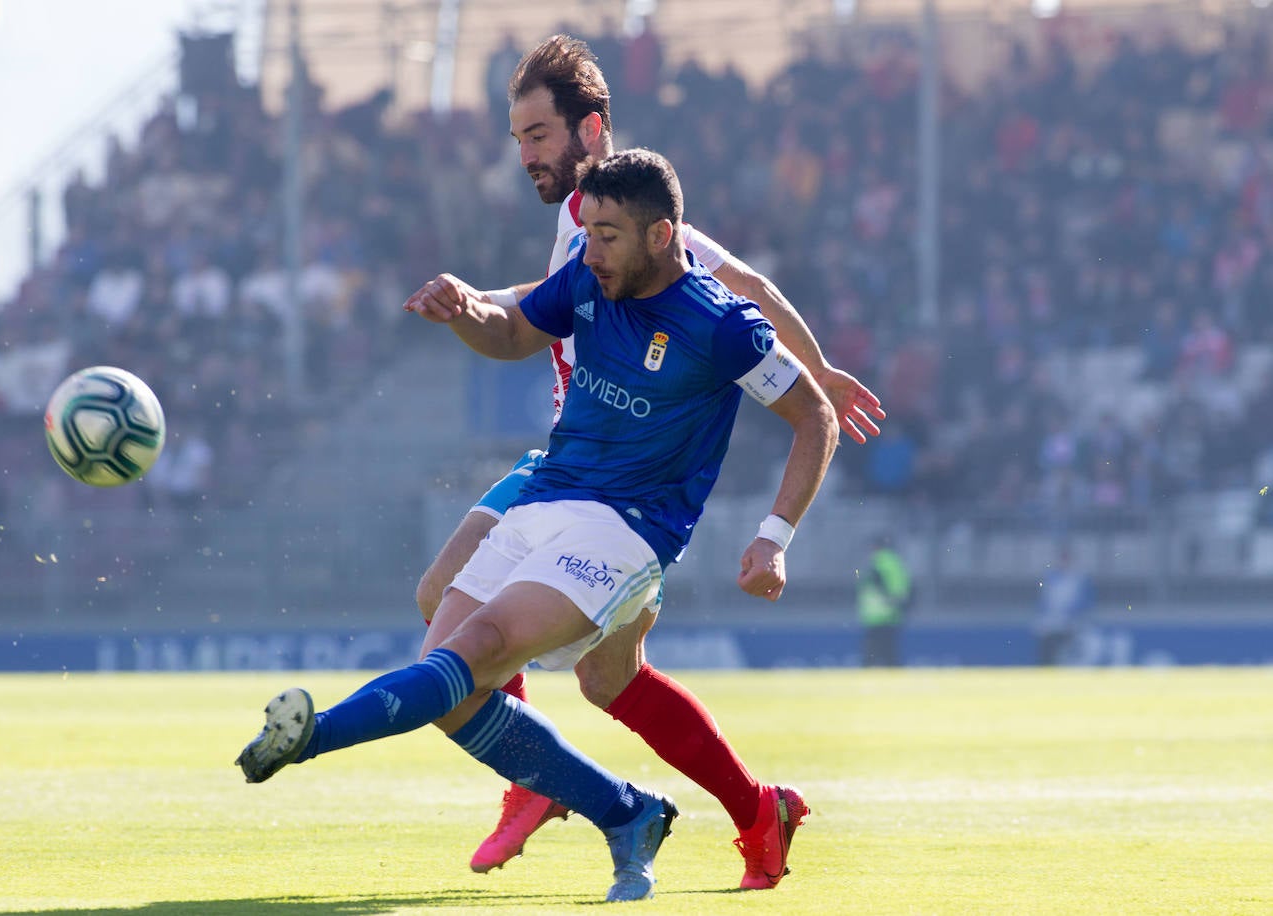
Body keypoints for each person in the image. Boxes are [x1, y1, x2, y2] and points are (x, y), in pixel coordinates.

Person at [236, 149, 841, 902]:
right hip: (545, 497)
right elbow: (514, 333)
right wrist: (466, 314)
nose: (592, 249)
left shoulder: (723, 325)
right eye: (588, 233)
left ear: (661, 236)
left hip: (625, 528)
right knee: (456, 690)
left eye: (609, 235)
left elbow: (815, 415)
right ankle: (626, 813)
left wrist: (774, 537)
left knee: (483, 650)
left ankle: (313, 735)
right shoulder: (588, 276)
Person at [405, 34, 885, 889]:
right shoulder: (582, 222)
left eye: (538, 135)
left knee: (526, 640)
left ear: (591, 129)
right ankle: (750, 809)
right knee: (585, 667)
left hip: (620, 485)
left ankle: (540, 776)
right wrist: (473, 301)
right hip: (566, 466)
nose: (525, 155)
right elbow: (534, 310)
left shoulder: (650, 227)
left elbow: (747, 288)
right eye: (518, 138)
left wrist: (816, 374)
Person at [856, 533, 913, 667]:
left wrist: (888, 599)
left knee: (872, 655)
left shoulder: (880, 563)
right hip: (889, 615)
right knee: (888, 654)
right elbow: (902, 589)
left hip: (880, 616)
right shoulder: (895, 563)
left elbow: (885, 588)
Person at [1034, 544, 1095, 666]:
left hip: (1072, 625)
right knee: (1046, 647)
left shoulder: (1080, 579)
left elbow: (1085, 603)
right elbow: (1043, 603)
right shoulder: (1050, 578)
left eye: (1066, 559)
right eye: (1062, 559)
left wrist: (1069, 616)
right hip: (1051, 624)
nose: (1064, 562)